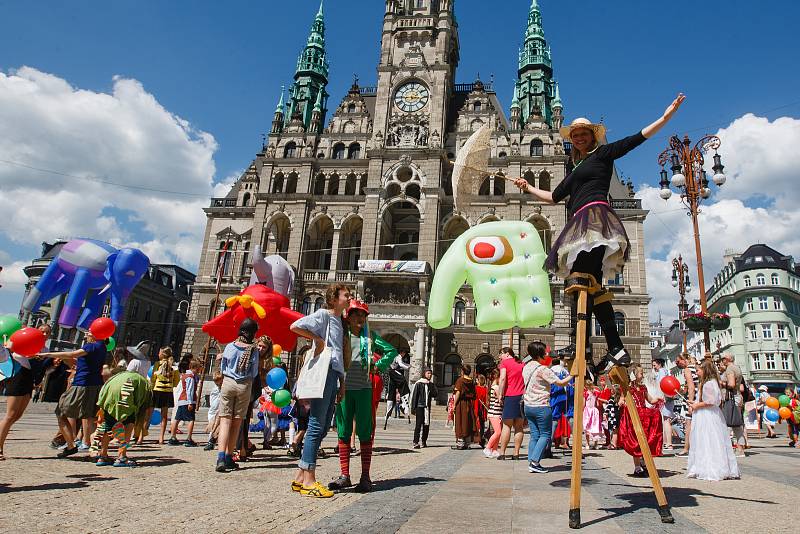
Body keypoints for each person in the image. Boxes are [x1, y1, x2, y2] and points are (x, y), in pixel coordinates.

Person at [515, 94, 685, 374]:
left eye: (583, 134)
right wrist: (527, 187)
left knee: (583, 280)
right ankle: (610, 347)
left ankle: (591, 346)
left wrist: (665, 118)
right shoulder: (575, 168)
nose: (579, 138)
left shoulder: (602, 155)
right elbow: (555, 196)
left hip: (595, 219)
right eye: (576, 135)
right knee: (588, 284)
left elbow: (636, 139)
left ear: (592, 137)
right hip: (580, 223)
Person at [289, 283, 350, 498]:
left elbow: (340, 356)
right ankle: (309, 480)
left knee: (323, 427)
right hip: (323, 373)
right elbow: (295, 326)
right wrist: (317, 339)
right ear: (334, 299)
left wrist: (342, 383)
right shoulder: (324, 315)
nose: (349, 298)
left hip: (333, 375)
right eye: (346, 295)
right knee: (316, 425)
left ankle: (299, 476)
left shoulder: (341, 322)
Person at [328, 299, 395, 493]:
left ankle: (365, 476)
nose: (359, 318)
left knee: (365, 432)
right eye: (356, 314)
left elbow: (391, 351)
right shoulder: (342, 336)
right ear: (348, 317)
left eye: (363, 315)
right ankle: (345, 475)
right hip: (344, 389)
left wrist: (378, 365)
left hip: (365, 389)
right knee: (343, 431)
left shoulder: (371, 337)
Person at [39, 331, 108, 458]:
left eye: (89, 331)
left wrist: (46, 354)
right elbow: (83, 360)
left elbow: (71, 354)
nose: (86, 333)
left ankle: (71, 445)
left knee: (61, 412)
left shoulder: (91, 346)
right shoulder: (102, 347)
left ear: (95, 334)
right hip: (95, 385)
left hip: (81, 385)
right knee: (91, 418)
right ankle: (94, 451)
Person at [215, 319, 262, 473]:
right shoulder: (253, 350)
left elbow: (223, 366)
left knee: (225, 422)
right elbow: (254, 372)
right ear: (253, 333)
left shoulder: (230, 346)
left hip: (228, 383)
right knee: (236, 423)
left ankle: (220, 457)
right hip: (244, 386)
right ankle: (229, 457)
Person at [522, 341, 572, 473]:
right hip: (541, 405)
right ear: (540, 353)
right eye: (545, 351)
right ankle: (535, 462)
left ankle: (531, 461)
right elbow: (560, 383)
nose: (547, 353)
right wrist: (573, 375)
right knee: (545, 434)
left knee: (534, 435)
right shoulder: (542, 369)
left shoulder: (526, 367)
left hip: (528, 405)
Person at [686, 358, 740, 481]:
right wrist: (694, 402)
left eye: (698, 370)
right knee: (709, 439)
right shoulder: (709, 382)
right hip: (708, 414)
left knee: (708, 439)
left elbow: (712, 401)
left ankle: (711, 468)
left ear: (705, 370)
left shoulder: (709, 383)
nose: (697, 373)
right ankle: (704, 466)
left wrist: (696, 405)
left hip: (707, 415)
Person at [94, 370, 152, 468]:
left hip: (109, 400)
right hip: (126, 400)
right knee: (128, 427)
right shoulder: (142, 381)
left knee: (108, 427)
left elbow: (104, 389)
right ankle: (121, 456)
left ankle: (102, 456)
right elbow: (141, 399)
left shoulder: (117, 376)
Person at [618, 364, 663, 477]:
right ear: (634, 374)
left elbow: (651, 400)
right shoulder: (628, 387)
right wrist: (623, 403)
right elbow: (622, 399)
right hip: (634, 416)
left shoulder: (643, 387)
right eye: (641, 373)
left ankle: (644, 462)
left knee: (646, 440)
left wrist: (658, 399)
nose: (642, 375)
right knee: (636, 440)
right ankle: (637, 466)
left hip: (644, 416)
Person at [0, 342, 36, 460]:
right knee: (10, 415)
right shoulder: (10, 341)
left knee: (17, 415)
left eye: (47, 332)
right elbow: (8, 354)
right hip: (17, 374)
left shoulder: (37, 345)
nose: (44, 334)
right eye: (42, 331)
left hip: (27, 376)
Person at [497, 347, 526, 460]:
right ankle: (516, 453)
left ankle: (502, 453)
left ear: (507, 354)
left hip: (510, 396)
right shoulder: (522, 363)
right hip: (521, 397)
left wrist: (500, 394)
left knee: (506, 426)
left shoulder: (505, 363)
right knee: (519, 426)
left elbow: (503, 379)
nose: (500, 357)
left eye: (501, 354)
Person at [168, 360, 201, 447]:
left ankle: (172, 437)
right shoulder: (190, 377)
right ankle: (188, 438)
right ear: (194, 368)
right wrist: (190, 402)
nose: (199, 371)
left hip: (181, 400)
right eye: (198, 369)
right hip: (187, 400)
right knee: (191, 420)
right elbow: (189, 390)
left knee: (177, 418)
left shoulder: (185, 375)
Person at [150, 347, 179, 444]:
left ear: (162, 354)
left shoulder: (157, 364)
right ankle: (161, 437)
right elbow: (176, 381)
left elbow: (153, 378)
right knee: (164, 416)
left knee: (148, 413)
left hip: (157, 390)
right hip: (167, 392)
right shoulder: (174, 366)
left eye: (159, 352)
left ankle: (141, 437)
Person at [719, 353, 746, 457]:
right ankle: (740, 448)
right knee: (737, 423)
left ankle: (736, 449)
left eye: (723, 359)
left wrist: (721, 383)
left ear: (728, 359)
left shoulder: (730, 369)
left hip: (731, 398)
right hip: (737, 396)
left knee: (729, 423)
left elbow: (731, 384)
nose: (722, 361)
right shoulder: (737, 368)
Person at [675, 354, 698, 456]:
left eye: (678, 361)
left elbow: (691, 387)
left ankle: (686, 448)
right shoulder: (697, 368)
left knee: (688, 425)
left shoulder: (687, 370)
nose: (676, 364)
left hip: (692, 399)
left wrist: (690, 402)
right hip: (699, 398)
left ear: (684, 360)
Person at [451, 364, 477, 450]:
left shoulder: (460, 380)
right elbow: (474, 394)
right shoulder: (472, 381)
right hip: (469, 403)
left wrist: (454, 404)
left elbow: (458, 392)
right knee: (468, 422)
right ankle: (468, 443)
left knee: (460, 422)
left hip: (461, 403)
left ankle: (461, 443)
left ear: (462, 371)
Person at [384, 349, 411, 429]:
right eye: (404, 353)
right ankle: (403, 404)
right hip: (393, 372)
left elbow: (402, 363)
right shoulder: (398, 356)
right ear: (401, 353)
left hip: (391, 374)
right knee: (403, 381)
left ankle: (389, 410)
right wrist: (408, 367)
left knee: (391, 391)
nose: (404, 355)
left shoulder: (393, 356)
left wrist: (408, 365)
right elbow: (401, 364)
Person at [411, 368, 438, 449]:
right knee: (418, 425)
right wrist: (413, 408)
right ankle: (415, 442)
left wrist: (432, 386)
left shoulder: (430, 384)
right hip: (420, 406)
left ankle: (424, 441)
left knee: (426, 425)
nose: (430, 375)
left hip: (427, 407)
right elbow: (415, 396)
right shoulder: (419, 383)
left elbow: (435, 394)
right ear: (424, 374)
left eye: (430, 373)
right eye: (428, 373)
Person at [651, 358, 673, 450]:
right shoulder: (666, 371)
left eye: (654, 365)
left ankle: (669, 443)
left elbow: (661, 383)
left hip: (664, 398)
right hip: (667, 397)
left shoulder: (661, 371)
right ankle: (665, 442)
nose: (654, 367)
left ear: (659, 364)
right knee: (665, 420)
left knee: (666, 420)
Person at [484, 368, 503, 458]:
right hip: (494, 413)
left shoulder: (493, 386)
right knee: (498, 432)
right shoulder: (496, 387)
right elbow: (500, 400)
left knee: (498, 432)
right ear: (497, 377)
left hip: (497, 412)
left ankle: (494, 450)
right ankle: (488, 447)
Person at [204, 371, 225, 451]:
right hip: (213, 411)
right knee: (212, 427)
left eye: (220, 383)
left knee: (219, 426)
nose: (219, 385)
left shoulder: (224, 389)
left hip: (219, 410)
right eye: (217, 384)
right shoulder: (215, 390)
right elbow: (213, 402)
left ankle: (212, 441)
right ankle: (211, 441)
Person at [583, 381, 603, 449]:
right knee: (595, 426)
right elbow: (597, 403)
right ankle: (595, 444)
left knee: (587, 426)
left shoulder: (585, 393)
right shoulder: (596, 392)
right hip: (594, 410)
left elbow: (583, 403)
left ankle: (587, 444)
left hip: (587, 410)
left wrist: (582, 410)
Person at [474, 373, 488, 448]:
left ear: (479, 380)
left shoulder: (476, 388)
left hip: (476, 407)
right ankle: (481, 440)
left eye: (477, 379)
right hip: (482, 409)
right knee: (482, 425)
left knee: (475, 424)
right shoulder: (485, 389)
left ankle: (475, 438)